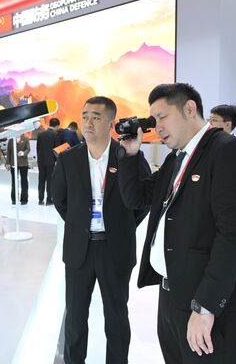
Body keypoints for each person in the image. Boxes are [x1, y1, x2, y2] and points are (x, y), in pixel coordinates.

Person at [118, 83, 236, 364]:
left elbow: (234, 237)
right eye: (153, 119)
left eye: (161, 117)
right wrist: (131, 154)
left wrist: (205, 308)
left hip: (207, 306)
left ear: (189, 108)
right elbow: (136, 197)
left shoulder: (229, 151)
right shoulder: (177, 159)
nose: (156, 127)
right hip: (172, 296)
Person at [52, 96, 150, 364]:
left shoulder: (128, 156)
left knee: (116, 317)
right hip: (79, 250)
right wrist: (80, 224)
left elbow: (142, 200)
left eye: (96, 116)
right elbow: (59, 200)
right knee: (74, 317)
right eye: (85, 115)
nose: (88, 121)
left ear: (111, 123)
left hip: (115, 248)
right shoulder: (68, 159)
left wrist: (122, 225)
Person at [36, 117, 60, 205]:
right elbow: (56, 150)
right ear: (57, 125)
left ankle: (40, 199)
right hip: (51, 161)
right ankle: (49, 199)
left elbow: (38, 148)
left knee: (41, 180)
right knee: (50, 180)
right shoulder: (55, 135)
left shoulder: (40, 134)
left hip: (41, 161)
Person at [6, 133, 30, 205]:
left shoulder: (25, 139)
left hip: (23, 164)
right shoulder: (11, 140)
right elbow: (9, 152)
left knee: (24, 181)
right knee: (14, 181)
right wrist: (7, 163)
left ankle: (24, 199)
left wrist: (23, 153)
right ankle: (14, 199)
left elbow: (28, 149)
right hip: (13, 163)